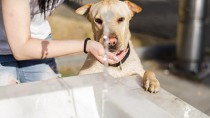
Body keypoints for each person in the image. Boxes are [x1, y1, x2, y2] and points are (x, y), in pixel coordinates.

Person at [0, 0, 126, 86]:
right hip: (7, 50)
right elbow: (21, 49)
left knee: (51, 105)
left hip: (39, 41)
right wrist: (87, 45)